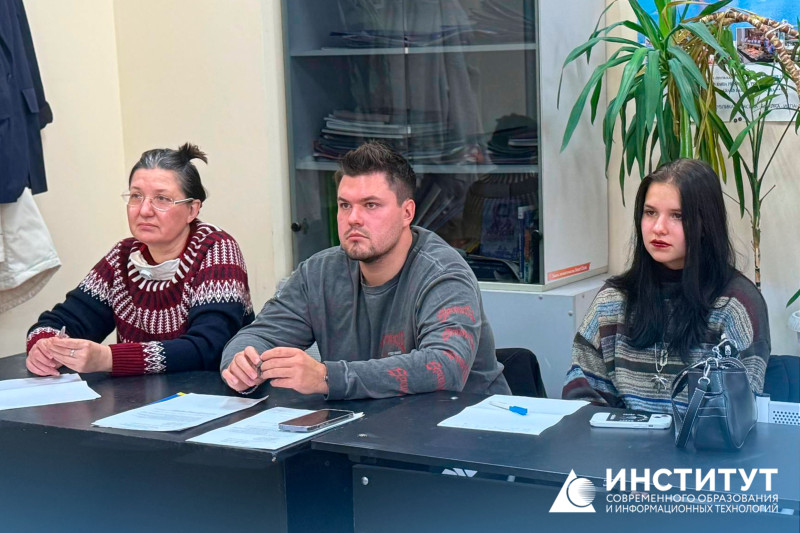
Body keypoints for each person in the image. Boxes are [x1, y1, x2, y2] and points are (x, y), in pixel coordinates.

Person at [221, 141, 509, 399]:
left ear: (407, 212)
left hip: (466, 428)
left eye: (371, 205)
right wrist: (242, 363)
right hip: (372, 427)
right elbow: (257, 336)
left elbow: (444, 366)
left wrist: (327, 377)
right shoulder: (318, 273)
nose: (353, 219)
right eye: (345, 205)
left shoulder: (443, 274)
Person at [26, 143, 254, 376]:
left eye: (162, 199)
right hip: (138, 395)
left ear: (192, 210)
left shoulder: (216, 249)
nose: (144, 210)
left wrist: (109, 358)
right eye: (136, 196)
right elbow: (64, 320)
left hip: (209, 392)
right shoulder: (123, 255)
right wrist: (44, 345)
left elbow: (209, 347)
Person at [562, 159, 770, 413]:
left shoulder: (736, 306)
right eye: (650, 213)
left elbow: (737, 412)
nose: (658, 228)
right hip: (618, 438)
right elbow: (581, 397)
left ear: (706, 224)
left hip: (703, 439)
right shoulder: (613, 300)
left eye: (677, 216)